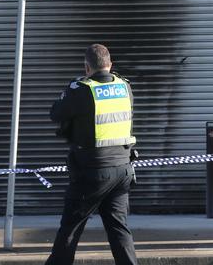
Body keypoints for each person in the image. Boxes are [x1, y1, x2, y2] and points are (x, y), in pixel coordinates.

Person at [45, 43, 138, 265]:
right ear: (110, 64)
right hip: (122, 171)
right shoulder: (124, 87)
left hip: (92, 173)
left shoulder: (82, 90)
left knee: (70, 229)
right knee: (119, 231)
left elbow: (55, 113)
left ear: (87, 67)